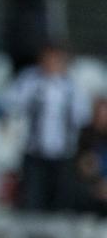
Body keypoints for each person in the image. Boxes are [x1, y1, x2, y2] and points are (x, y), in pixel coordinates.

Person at [7, 43, 91, 212]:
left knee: (60, 201)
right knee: (33, 200)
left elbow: (83, 116)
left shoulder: (71, 86)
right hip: (35, 152)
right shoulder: (30, 80)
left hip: (63, 154)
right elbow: (13, 104)